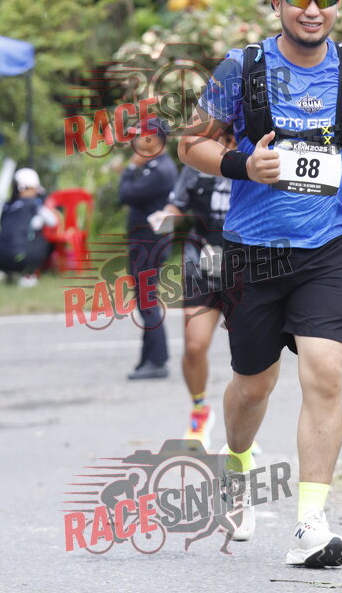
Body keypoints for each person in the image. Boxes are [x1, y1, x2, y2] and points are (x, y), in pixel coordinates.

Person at [178, 0, 342, 567]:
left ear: (336, 6)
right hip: (254, 251)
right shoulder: (242, 69)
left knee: (325, 370)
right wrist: (244, 164)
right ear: (277, 4)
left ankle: (310, 524)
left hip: (329, 246)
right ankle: (237, 467)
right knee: (253, 384)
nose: (312, 9)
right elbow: (190, 145)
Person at [148, 136, 233, 448]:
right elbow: (177, 205)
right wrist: (165, 217)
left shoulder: (258, 153)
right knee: (194, 345)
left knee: (250, 352)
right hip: (202, 263)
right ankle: (200, 410)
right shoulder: (197, 161)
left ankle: (244, 427)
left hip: (250, 264)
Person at [118, 117, 177, 380]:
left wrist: (130, 168)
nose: (135, 139)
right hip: (145, 242)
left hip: (149, 244)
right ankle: (149, 358)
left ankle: (157, 360)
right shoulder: (154, 166)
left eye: (140, 135)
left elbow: (125, 194)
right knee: (145, 299)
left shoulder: (160, 170)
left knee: (147, 300)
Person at [0, 168, 58, 287]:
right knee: (44, 239)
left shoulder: (6, 205)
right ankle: (28, 274)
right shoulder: (34, 204)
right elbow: (53, 221)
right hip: (22, 259)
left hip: (0, 258)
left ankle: (5, 271)